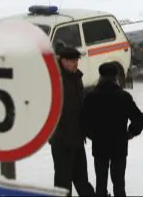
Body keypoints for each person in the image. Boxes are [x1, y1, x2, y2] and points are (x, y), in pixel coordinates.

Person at [82, 62, 143, 197]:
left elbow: (83, 121)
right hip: (119, 146)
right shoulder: (123, 97)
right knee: (119, 183)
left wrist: (92, 135)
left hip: (100, 146)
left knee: (101, 183)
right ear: (116, 77)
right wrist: (130, 133)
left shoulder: (91, 97)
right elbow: (139, 118)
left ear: (100, 77)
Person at [49, 46, 95, 196]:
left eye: (77, 60)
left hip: (77, 137)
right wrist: (59, 135)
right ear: (63, 61)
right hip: (62, 141)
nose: (76, 63)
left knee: (81, 178)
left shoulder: (75, 77)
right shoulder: (55, 80)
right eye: (72, 60)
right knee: (63, 182)